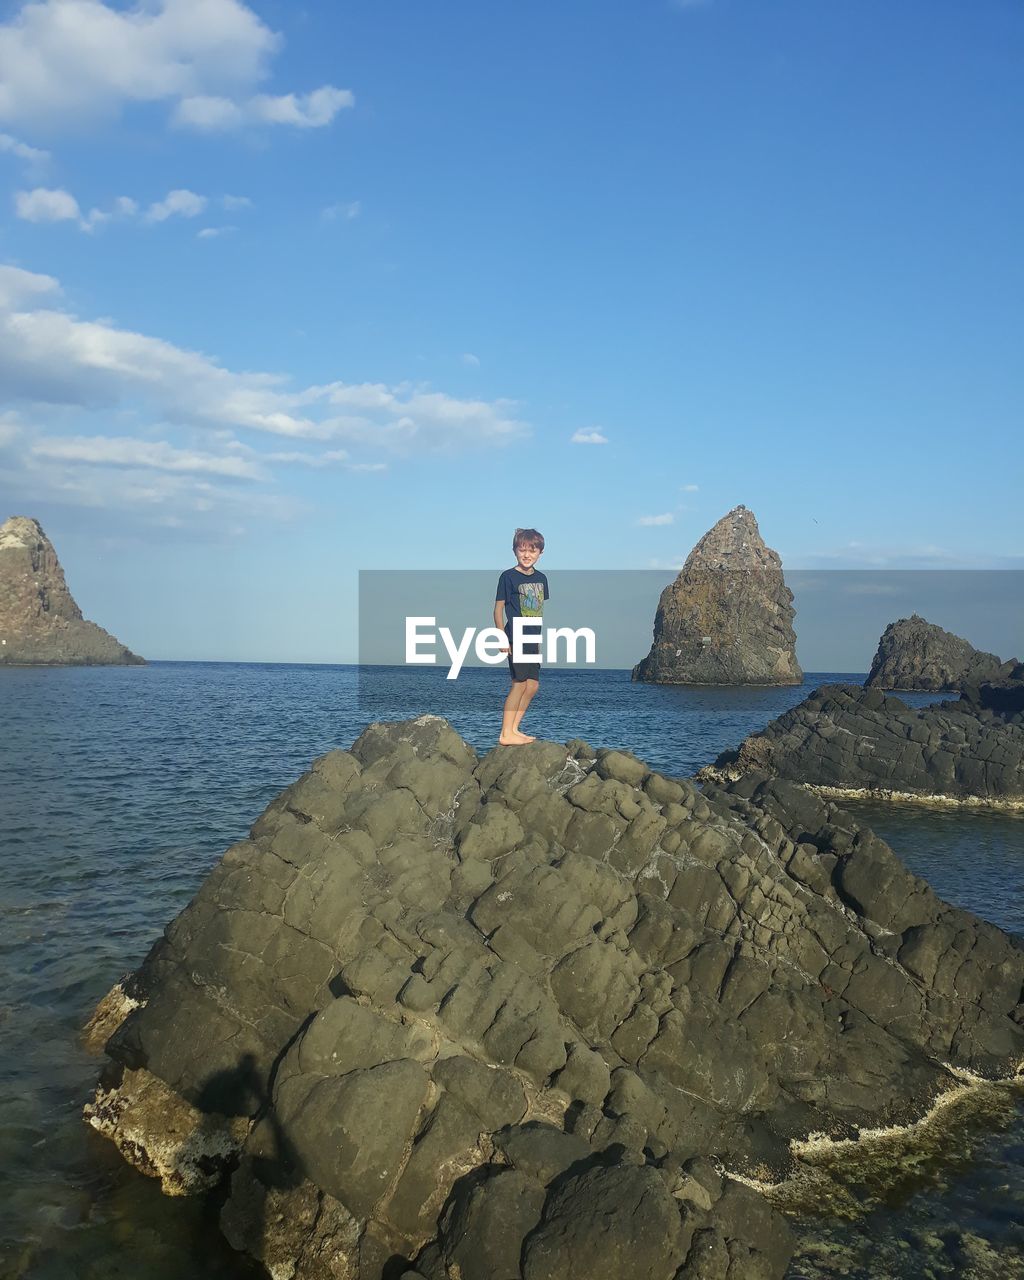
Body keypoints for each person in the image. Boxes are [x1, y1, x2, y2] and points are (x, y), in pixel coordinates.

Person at [494, 527, 549, 746]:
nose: (527, 555)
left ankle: (514, 729)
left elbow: (535, 611)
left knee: (533, 685)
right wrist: (501, 637)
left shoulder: (542, 579)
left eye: (532, 551)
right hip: (514, 636)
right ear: (515, 551)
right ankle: (505, 733)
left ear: (540, 553)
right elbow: (498, 609)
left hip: (532, 638)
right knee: (518, 683)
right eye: (522, 550)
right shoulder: (508, 577)